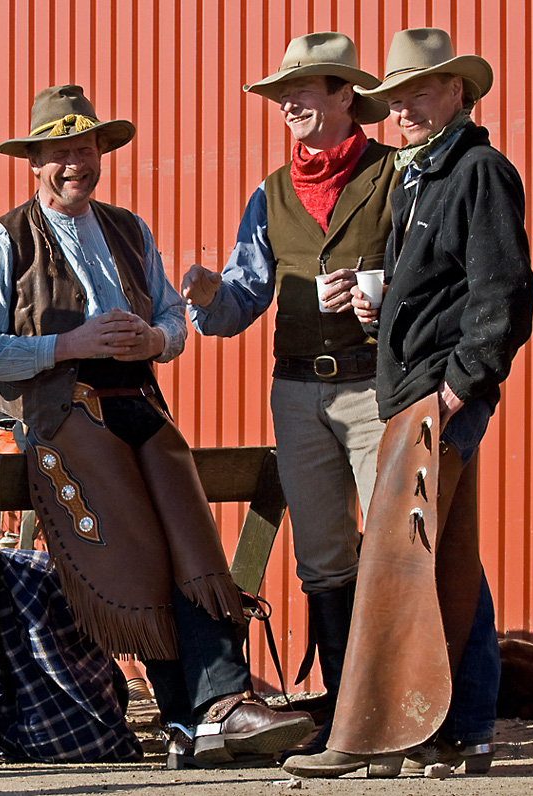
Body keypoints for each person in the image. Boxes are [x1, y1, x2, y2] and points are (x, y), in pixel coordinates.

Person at [0, 84, 314, 768]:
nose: (74, 165)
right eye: (60, 154)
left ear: (99, 153)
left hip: (139, 403)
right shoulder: (4, 241)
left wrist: (154, 340)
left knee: (192, 541)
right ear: (35, 162)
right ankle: (203, 712)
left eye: (84, 150)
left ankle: (213, 711)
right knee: (143, 546)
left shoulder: (129, 228)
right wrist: (69, 344)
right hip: (62, 415)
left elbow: (178, 321)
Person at [283, 28, 533, 778]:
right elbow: (442, 287)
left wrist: (463, 383)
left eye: (419, 92)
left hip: (438, 395)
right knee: (445, 561)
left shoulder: (479, 170)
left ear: (460, 91)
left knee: (402, 564)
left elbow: (504, 293)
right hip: (414, 391)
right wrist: (378, 302)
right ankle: (460, 729)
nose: (403, 108)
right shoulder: (423, 174)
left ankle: (373, 733)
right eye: (395, 97)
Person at [181, 32, 398, 754]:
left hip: (379, 390)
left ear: (346, 96)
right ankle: (344, 715)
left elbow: (430, 279)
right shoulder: (271, 194)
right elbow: (241, 299)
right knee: (324, 558)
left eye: (304, 90)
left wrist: (385, 296)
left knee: (400, 547)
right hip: (299, 393)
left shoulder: (395, 177)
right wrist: (209, 295)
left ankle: (404, 713)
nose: (289, 104)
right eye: (282, 94)